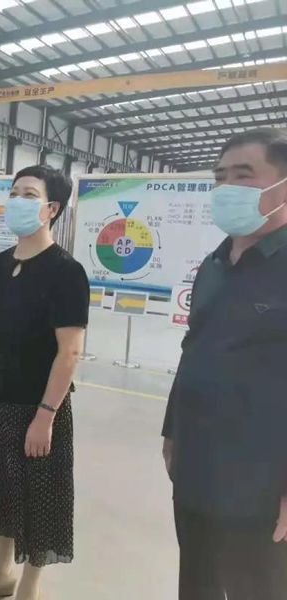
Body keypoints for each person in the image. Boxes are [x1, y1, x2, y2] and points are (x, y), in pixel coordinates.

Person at [162, 128, 287, 600]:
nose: (226, 188)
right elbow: (193, 350)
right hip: (197, 468)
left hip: (261, 485)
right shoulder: (213, 265)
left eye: (243, 175)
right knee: (197, 586)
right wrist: (172, 431)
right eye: (220, 176)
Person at [0, 165, 89, 600]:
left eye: (29, 195)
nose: (17, 201)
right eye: (13, 192)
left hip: (38, 408)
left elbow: (69, 351)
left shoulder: (65, 272)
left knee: (39, 501)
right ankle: (0, 573)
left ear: (51, 209)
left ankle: (30, 586)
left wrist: (45, 416)